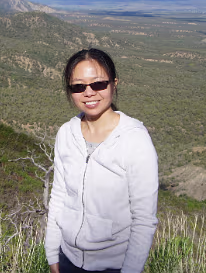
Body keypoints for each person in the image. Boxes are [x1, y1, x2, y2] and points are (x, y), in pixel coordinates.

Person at [45, 48, 158, 273]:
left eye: (98, 84)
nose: (89, 93)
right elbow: (59, 197)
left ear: (114, 84)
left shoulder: (134, 139)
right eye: (78, 86)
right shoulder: (66, 134)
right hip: (67, 258)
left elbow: (144, 220)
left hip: (113, 265)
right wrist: (51, 254)